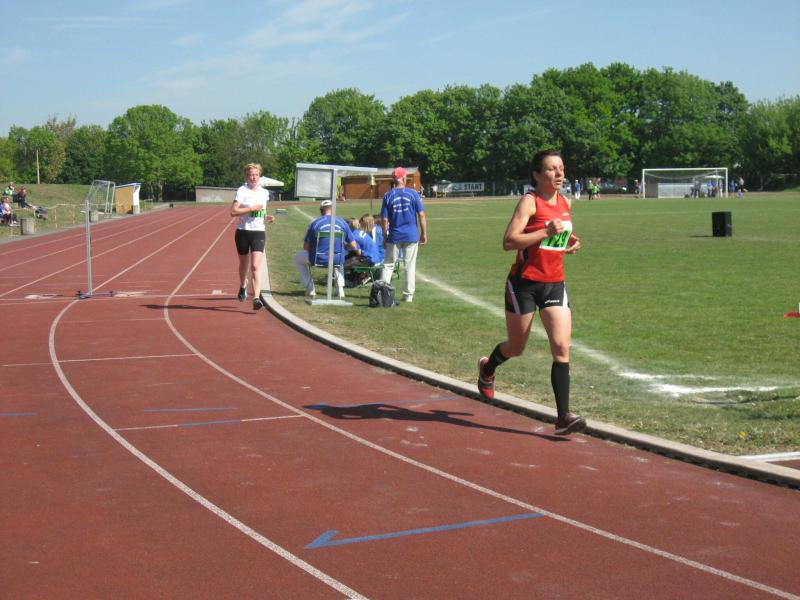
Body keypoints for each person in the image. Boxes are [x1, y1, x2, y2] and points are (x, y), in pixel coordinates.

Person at [476, 149, 585, 435]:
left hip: (554, 283)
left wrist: (570, 241)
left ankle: (563, 418)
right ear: (537, 175)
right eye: (551, 169)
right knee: (516, 347)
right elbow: (509, 241)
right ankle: (488, 368)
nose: (559, 173)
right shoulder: (530, 201)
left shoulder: (565, 201)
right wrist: (545, 233)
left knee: (561, 347)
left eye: (561, 168)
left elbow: (559, 235)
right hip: (523, 284)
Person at [230, 162, 275, 310]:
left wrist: (267, 217)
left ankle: (256, 297)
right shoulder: (242, 190)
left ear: (260, 176)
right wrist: (250, 208)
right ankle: (243, 284)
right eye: (251, 175)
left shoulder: (264, 193)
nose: (254, 177)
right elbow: (233, 212)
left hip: (258, 231)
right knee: (244, 264)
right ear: (246, 176)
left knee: (255, 265)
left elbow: (261, 212)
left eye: (256, 175)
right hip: (243, 231)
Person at [379, 166, 428, 303]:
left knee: (388, 265)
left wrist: (384, 236)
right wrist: (424, 233)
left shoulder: (388, 195)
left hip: (394, 235)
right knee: (410, 266)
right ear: (404, 178)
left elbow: (384, 219)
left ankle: (383, 293)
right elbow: (421, 215)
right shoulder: (413, 194)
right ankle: (408, 295)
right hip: (411, 235)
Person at [294, 200, 358, 299]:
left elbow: (306, 247)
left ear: (321, 210)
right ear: (333, 209)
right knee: (339, 255)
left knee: (298, 257)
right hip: (337, 259)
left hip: (318, 258)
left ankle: (310, 288)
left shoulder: (315, 223)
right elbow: (354, 246)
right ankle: (340, 289)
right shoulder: (342, 222)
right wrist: (344, 247)